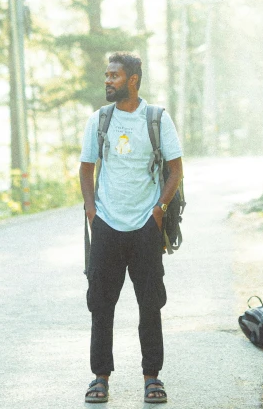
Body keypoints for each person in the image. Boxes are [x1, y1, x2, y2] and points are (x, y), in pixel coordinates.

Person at [80, 51, 183, 404]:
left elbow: (175, 170)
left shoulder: (156, 119)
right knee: (101, 303)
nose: (107, 81)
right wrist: (92, 211)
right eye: (107, 75)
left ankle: (152, 377)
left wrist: (159, 211)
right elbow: (86, 168)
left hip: (145, 226)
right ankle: (100, 377)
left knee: (150, 303)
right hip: (107, 224)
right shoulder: (99, 120)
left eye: (114, 76)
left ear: (133, 80)